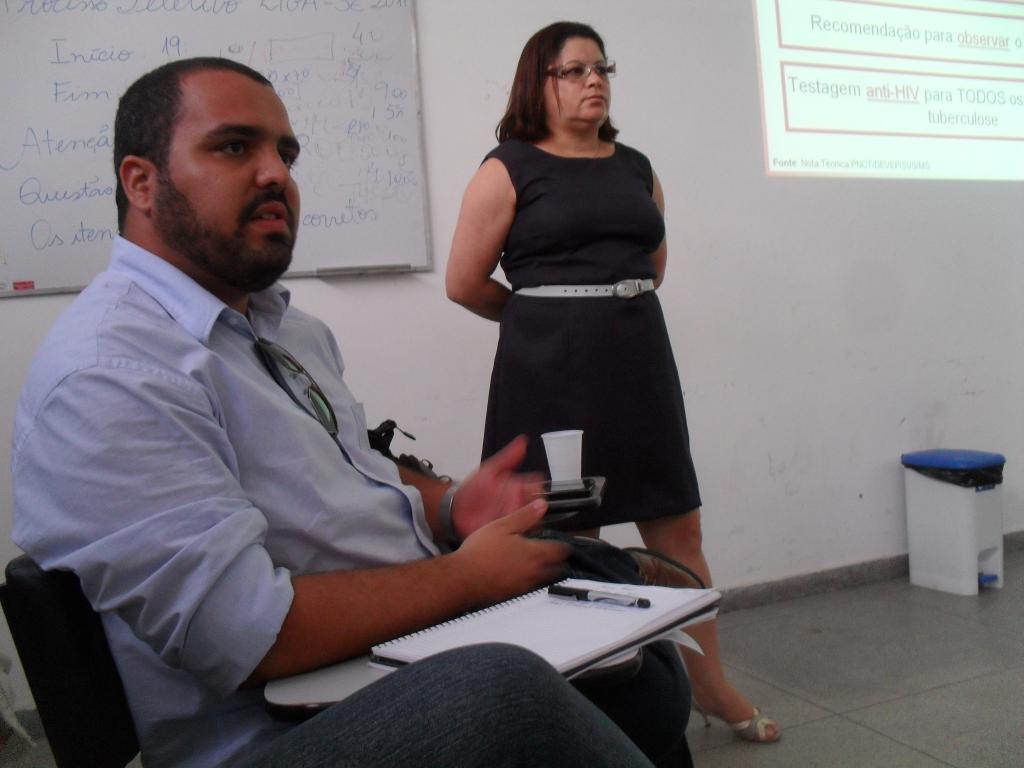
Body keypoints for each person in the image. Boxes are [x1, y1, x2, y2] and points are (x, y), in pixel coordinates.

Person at [9, 58, 695, 768]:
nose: (276, 174)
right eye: (235, 146)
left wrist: (450, 507)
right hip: (272, 735)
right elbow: (248, 634)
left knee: (634, 657)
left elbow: (349, 476)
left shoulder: (285, 329)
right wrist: (466, 579)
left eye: (286, 154)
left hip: (378, 660)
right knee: (506, 695)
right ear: (141, 182)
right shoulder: (112, 372)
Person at [446, 22, 779, 744]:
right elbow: (464, 281)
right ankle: (588, 698)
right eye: (574, 70)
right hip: (549, 374)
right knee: (573, 534)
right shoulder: (508, 167)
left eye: (602, 68)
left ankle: (709, 685)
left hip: (638, 361)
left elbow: (652, 267)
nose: (594, 80)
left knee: (678, 525)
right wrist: (542, 322)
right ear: (539, 83)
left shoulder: (635, 167)